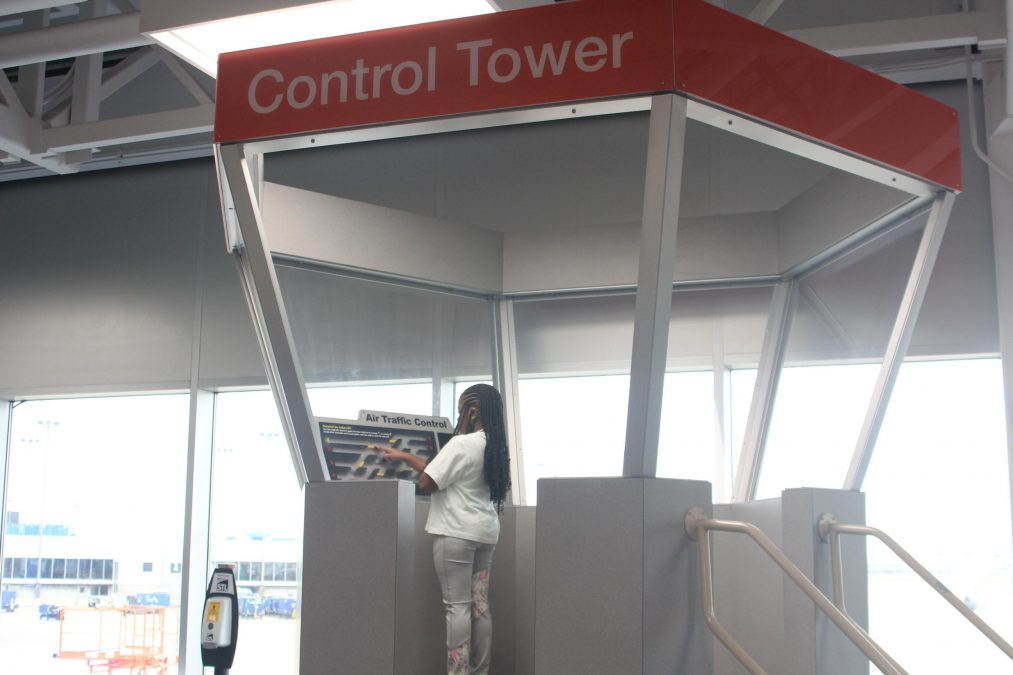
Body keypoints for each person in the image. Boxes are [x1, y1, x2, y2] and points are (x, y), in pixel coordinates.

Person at [373, 384, 511, 675]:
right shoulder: (494, 447)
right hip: (485, 533)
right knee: (480, 607)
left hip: (456, 535)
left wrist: (456, 434)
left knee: (457, 607)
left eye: (461, 409)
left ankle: (458, 672)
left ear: (472, 410)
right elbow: (442, 470)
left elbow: (428, 482)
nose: (459, 414)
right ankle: (479, 671)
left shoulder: (462, 444)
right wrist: (405, 457)